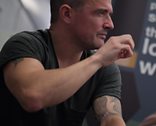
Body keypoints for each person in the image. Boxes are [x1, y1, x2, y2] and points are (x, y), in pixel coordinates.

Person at [0, 0, 134, 126]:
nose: (110, 24)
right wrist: (98, 58)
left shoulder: (104, 68)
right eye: (100, 13)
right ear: (67, 14)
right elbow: (33, 96)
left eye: (109, 14)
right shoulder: (24, 44)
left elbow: (111, 117)